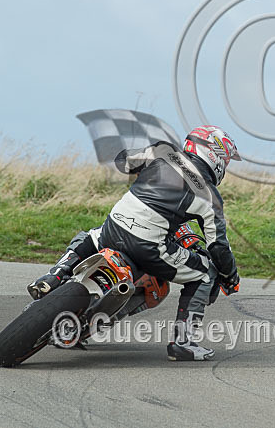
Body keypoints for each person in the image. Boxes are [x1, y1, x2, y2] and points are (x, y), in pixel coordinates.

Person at [27, 125, 241, 361]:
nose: (225, 166)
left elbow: (123, 161)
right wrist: (230, 276)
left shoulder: (163, 152)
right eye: (226, 160)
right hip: (149, 247)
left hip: (114, 228)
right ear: (214, 154)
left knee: (88, 237)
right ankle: (183, 342)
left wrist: (145, 167)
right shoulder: (209, 196)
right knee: (206, 274)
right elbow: (218, 246)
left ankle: (54, 276)